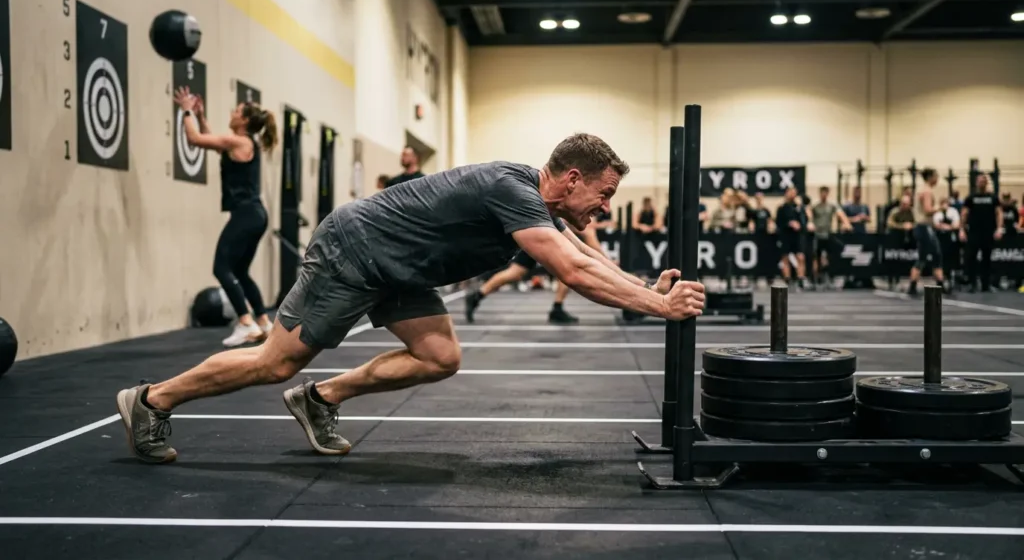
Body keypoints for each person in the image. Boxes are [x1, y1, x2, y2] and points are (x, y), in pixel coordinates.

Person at [115, 133, 707, 464]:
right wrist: (659, 309)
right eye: (604, 194)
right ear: (572, 178)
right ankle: (152, 400)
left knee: (439, 357)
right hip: (355, 250)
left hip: (399, 269)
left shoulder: (544, 203)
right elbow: (572, 272)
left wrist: (645, 289)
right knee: (275, 361)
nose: (606, 208)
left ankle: (321, 398)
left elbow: (590, 256)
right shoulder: (514, 189)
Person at [175, 87, 278, 347]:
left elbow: (195, 140)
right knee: (240, 271)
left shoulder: (238, 142)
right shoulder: (242, 143)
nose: (232, 114)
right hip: (255, 215)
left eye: (236, 111)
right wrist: (200, 115)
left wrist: (186, 110)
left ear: (243, 121)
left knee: (221, 268)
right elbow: (213, 141)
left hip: (246, 214)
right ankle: (264, 323)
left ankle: (245, 322)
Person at [464, 224, 606, 324]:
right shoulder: (580, 201)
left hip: (536, 233)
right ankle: (557, 309)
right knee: (567, 270)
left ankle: (477, 296)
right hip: (543, 235)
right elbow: (589, 235)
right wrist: (608, 263)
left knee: (515, 273)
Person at [905, 168, 947, 296]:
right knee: (936, 255)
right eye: (936, 177)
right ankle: (940, 284)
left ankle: (913, 285)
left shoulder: (920, 189)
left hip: (922, 226)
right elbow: (928, 210)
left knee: (923, 257)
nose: (937, 180)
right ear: (930, 177)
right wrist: (941, 208)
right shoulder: (927, 191)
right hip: (924, 227)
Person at [959, 174, 1000, 293]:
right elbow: (964, 214)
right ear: (976, 183)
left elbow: (999, 213)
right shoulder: (971, 197)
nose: (981, 183)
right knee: (971, 258)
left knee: (986, 259)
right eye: (979, 181)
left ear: (986, 183)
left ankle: (985, 285)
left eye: (983, 181)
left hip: (988, 232)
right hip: (974, 232)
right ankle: (972, 284)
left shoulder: (993, 197)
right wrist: (962, 229)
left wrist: (999, 229)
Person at [807, 186, 853, 289]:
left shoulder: (832, 205)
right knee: (816, 257)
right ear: (820, 193)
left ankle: (829, 277)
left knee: (834, 253)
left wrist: (846, 223)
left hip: (828, 234)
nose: (824, 195)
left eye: (825, 193)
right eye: (822, 193)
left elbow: (840, 214)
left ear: (827, 194)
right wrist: (810, 222)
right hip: (817, 235)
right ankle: (815, 280)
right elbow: (808, 212)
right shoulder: (815, 205)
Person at [775, 188, 807, 288]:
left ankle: (801, 278)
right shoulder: (782, 208)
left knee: (800, 257)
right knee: (785, 257)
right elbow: (778, 223)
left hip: (797, 236)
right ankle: (787, 279)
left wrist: (799, 225)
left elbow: (804, 221)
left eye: (794, 193)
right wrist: (788, 224)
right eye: (790, 193)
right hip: (786, 235)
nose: (792, 195)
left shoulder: (799, 208)